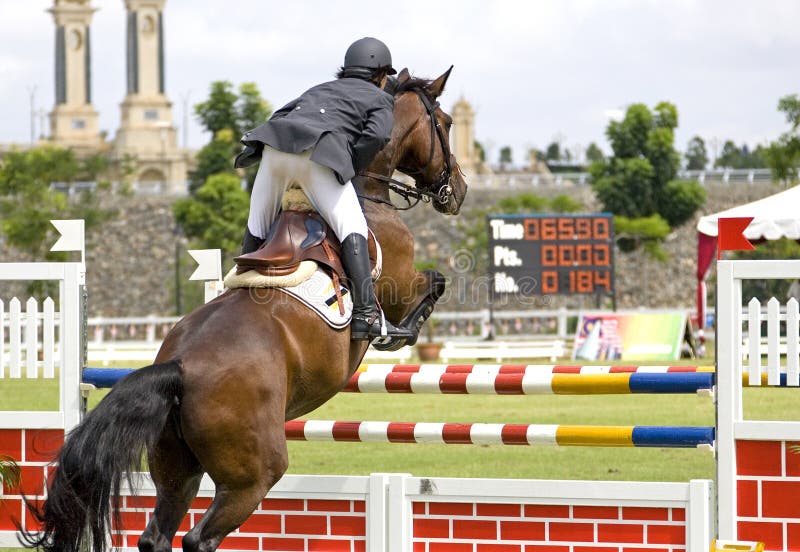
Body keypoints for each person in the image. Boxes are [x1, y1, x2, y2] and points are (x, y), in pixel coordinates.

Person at [233, 37, 414, 342]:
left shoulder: (319, 89)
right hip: (317, 155)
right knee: (351, 225)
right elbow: (378, 135)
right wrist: (349, 165)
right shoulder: (379, 96)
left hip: (274, 150)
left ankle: (238, 298)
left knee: (258, 223)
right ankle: (366, 314)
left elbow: (279, 116)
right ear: (382, 76)